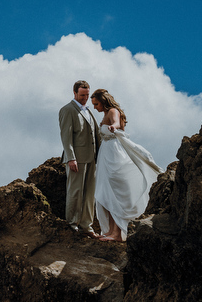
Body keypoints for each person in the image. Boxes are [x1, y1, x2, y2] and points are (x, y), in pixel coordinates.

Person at [90, 89, 164, 242]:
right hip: (105, 154)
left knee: (116, 193)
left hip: (114, 153)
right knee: (106, 193)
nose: (95, 107)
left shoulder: (112, 111)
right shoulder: (105, 114)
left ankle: (117, 234)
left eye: (96, 104)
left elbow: (116, 122)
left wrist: (113, 127)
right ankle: (109, 231)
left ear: (103, 102)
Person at [59, 80, 101, 238]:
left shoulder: (88, 111)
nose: (85, 98)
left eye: (87, 95)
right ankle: (72, 224)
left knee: (90, 193)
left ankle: (87, 226)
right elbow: (66, 137)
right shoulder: (67, 110)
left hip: (92, 158)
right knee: (75, 192)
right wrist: (71, 158)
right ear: (75, 93)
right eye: (82, 95)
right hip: (76, 159)